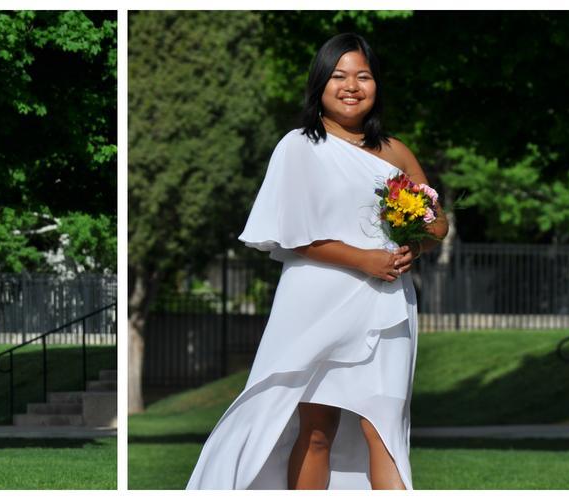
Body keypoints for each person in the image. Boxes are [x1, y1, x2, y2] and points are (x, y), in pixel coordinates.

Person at [187, 33, 447, 490]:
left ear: (376, 85)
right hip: (315, 300)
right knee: (317, 430)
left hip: (386, 304)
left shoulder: (396, 151)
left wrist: (416, 246)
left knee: (385, 429)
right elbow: (289, 233)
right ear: (319, 84)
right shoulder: (298, 146)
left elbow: (437, 223)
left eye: (363, 76)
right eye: (339, 75)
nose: (351, 86)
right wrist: (362, 259)